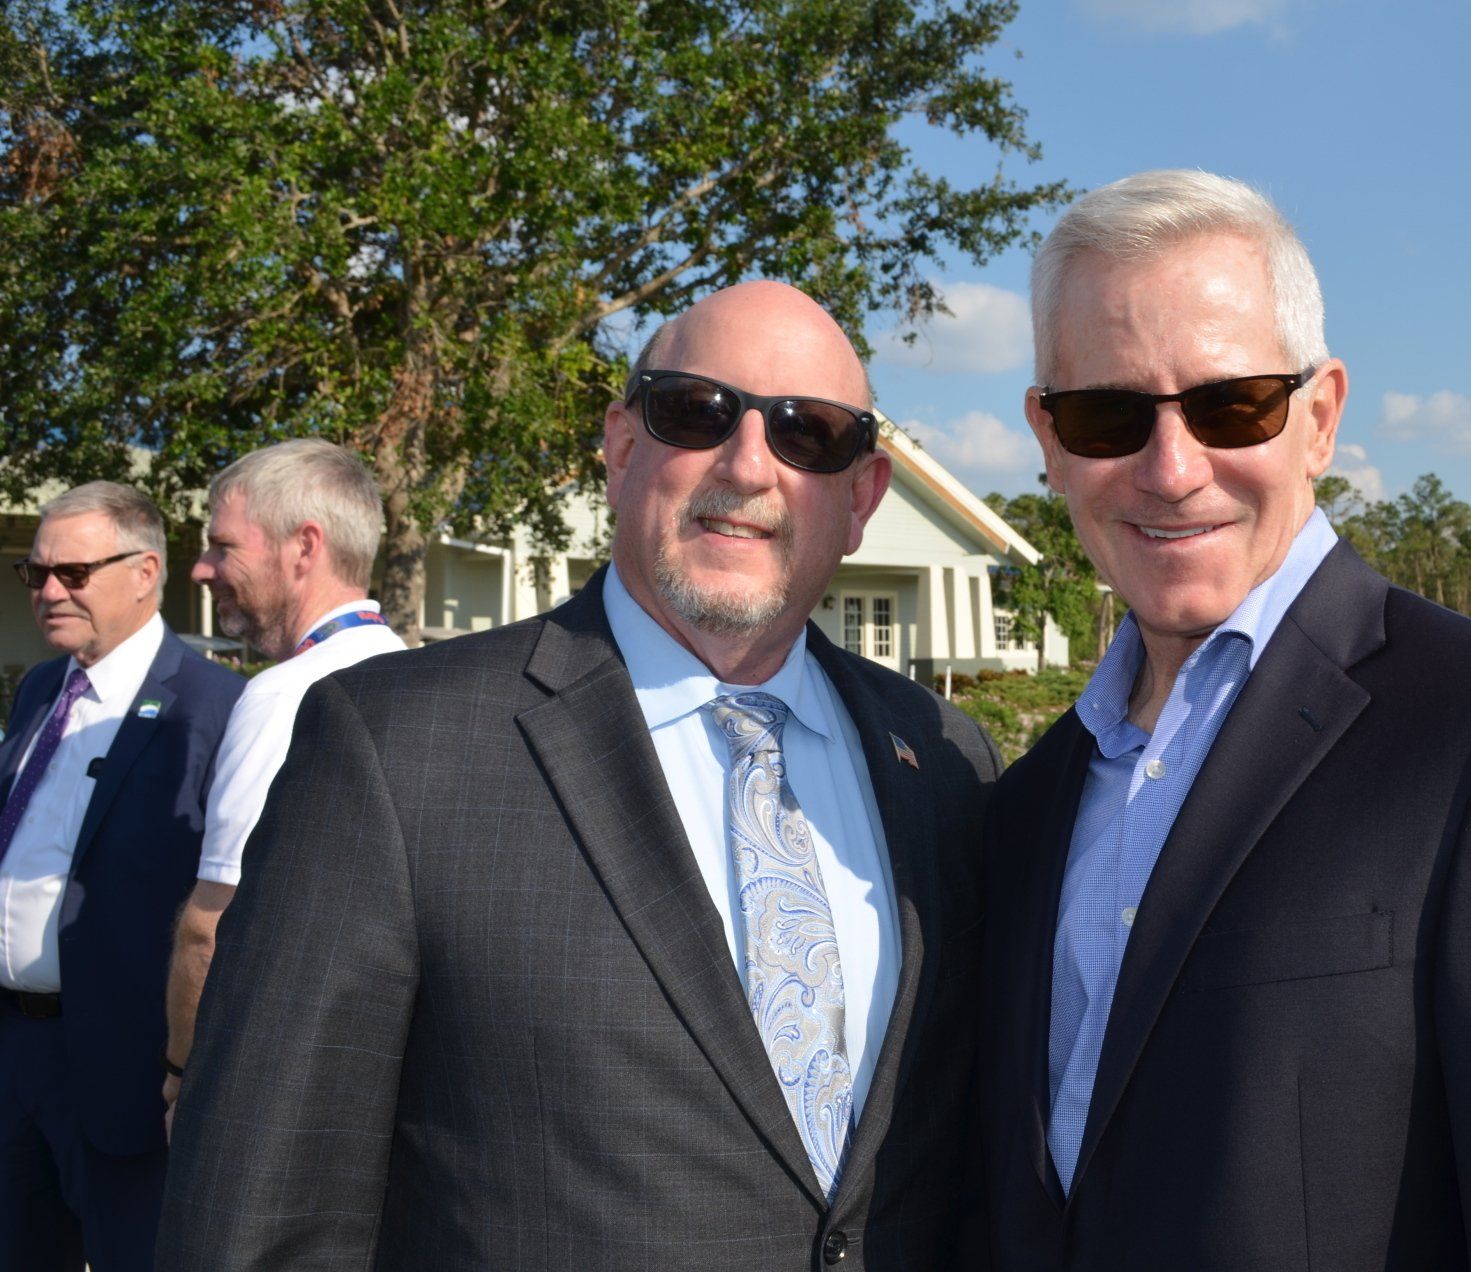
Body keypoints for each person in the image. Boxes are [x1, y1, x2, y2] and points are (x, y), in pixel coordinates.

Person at [159, 281, 1000, 1269]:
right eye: (698, 412)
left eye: (807, 433)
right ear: (622, 445)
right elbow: (262, 1207)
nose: (747, 466)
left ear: (860, 497)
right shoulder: (393, 747)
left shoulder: (944, 764)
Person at [979, 170, 1471, 1269]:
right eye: (1108, 415)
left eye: (1231, 404)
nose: (1171, 469)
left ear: (1320, 418)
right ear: (1050, 440)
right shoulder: (1025, 803)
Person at [0, 482, 243, 1270]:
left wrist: (185, 1068)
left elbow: (227, 903)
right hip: (15, 1049)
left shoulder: (213, 707)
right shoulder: (41, 688)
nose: (48, 591)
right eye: (36, 573)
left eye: (72, 573)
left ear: (145, 572)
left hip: (125, 1066)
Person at [161, 439, 407, 1130]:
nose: (201, 568)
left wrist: (181, 1076)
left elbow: (210, 927)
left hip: (266, 1090)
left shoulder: (286, 695)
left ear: (304, 547)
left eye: (222, 546)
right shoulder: (413, 675)